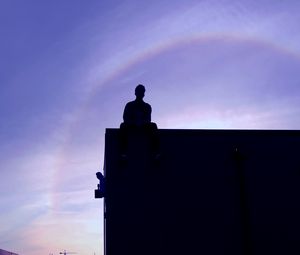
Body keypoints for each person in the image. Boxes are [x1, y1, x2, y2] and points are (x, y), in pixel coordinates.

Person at [120, 84, 159, 159]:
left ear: (143, 94)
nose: (140, 93)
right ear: (135, 93)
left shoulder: (147, 106)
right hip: (131, 125)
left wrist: (141, 123)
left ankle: (156, 153)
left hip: (143, 125)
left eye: (141, 92)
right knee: (123, 126)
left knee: (154, 126)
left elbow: (148, 119)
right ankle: (123, 153)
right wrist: (134, 122)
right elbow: (125, 118)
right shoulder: (129, 105)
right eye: (138, 92)